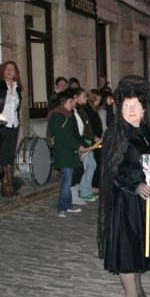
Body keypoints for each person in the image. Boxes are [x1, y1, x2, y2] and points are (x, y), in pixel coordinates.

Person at [98, 75, 150, 297]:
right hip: (125, 202)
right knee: (127, 251)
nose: (130, 110)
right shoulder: (115, 134)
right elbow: (111, 173)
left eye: (135, 106)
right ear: (120, 108)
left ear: (143, 108)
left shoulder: (146, 131)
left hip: (142, 202)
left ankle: (139, 292)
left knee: (139, 247)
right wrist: (135, 185)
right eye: (126, 106)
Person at [0, 61, 23, 197]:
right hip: (2, 126)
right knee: (2, 156)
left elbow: (17, 108)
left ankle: (10, 185)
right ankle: (4, 186)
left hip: (14, 125)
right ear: (3, 71)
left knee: (10, 156)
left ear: (15, 73)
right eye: (6, 69)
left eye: (12, 69)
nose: (9, 71)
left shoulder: (17, 88)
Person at [48, 89, 83, 217]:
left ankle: (67, 205)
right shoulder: (57, 116)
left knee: (67, 180)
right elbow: (61, 137)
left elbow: (72, 134)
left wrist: (78, 145)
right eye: (70, 101)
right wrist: (76, 146)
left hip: (70, 152)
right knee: (66, 181)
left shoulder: (67, 115)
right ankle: (62, 207)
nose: (72, 103)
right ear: (63, 103)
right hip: (64, 153)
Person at [74, 88, 97, 202]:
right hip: (83, 142)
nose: (86, 98)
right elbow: (79, 129)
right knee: (85, 166)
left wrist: (93, 138)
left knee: (92, 165)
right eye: (84, 96)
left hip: (88, 141)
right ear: (76, 98)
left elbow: (88, 127)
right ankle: (84, 191)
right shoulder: (76, 111)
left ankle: (87, 189)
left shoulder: (82, 110)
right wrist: (82, 143)